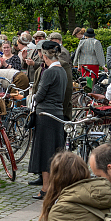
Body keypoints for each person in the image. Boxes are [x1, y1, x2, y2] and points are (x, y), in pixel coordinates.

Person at [28, 41, 68, 200]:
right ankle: (54, 188)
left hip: (46, 115)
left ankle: (46, 189)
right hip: (57, 114)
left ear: (44, 55)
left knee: (45, 153)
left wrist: (31, 97)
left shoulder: (49, 72)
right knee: (55, 151)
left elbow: (40, 95)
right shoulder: (62, 71)